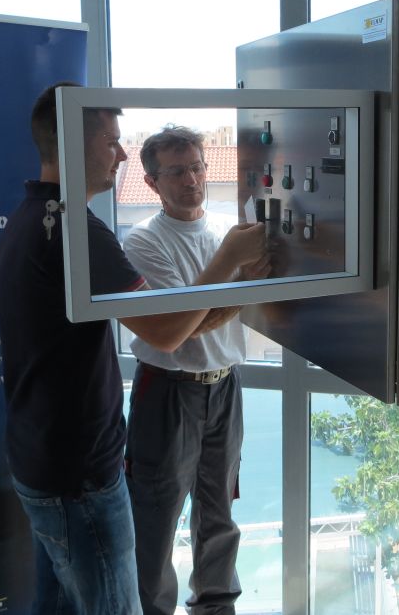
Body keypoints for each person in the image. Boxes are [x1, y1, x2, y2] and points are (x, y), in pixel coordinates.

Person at [0, 85, 265, 615]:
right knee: (132, 572)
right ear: (74, 143)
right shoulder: (80, 233)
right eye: (111, 141)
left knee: (63, 602)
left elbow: (183, 321)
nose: (120, 153)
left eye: (197, 168)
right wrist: (233, 261)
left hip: (52, 458)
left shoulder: (36, 218)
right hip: (79, 469)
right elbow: (168, 331)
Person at [123, 125, 270, 615]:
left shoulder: (230, 231)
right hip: (166, 392)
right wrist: (234, 274)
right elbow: (179, 329)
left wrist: (234, 282)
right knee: (156, 517)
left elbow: (203, 315)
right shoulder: (143, 242)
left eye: (197, 167)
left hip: (226, 386)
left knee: (219, 510)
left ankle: (217, 606)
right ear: (151, 183)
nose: (191, 179)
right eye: (176, 172)